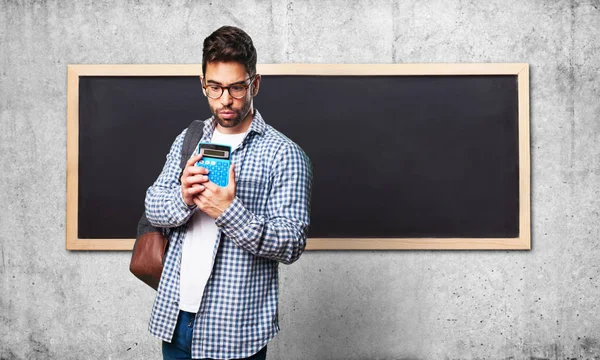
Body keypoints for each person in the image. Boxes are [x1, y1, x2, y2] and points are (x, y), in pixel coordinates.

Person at [144, 25, 313, 360]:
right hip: (175, 318)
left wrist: (228, 211)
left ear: (255, 83)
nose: (225, 100)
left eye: (237, 87)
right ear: (203, 84)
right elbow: (153, 205)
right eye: (215, 88)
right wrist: (183, 197)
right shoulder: (190, 138)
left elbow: (292, 243)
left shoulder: (284, 154)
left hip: (234, 329)